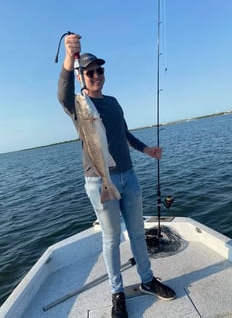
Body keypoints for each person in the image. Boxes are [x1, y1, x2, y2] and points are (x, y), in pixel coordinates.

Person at [57, 33, 176, 318]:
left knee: (137, 232)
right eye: (90, 72)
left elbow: (123, 133)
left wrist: (146, 149)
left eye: (100, 70)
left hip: (129, 177)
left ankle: (147, 281)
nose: (97, 75)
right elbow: (62, 93)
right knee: (111, 240)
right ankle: (117, 293)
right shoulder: (79, 106)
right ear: (82, 77)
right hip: (100, 181)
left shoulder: (113, 102)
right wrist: (68, 59)